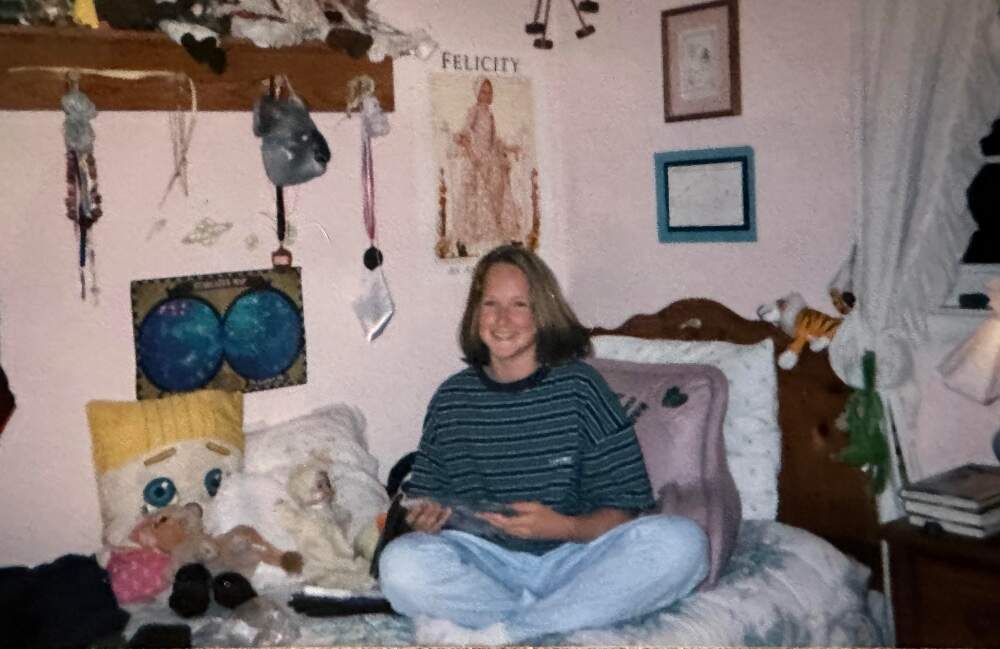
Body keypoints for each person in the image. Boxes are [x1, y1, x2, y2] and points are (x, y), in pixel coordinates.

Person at [377, 245, 709, 645]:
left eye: (520, 304)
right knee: (399, 566)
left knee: (684, 545)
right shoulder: (452, 398)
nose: (503, 319)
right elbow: (425, 502)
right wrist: (423, 519)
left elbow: (625, 513)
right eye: (490, 304)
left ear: (542, 315)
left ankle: (508, 632)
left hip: (575, 558)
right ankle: (562, 615)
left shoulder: (581, 388)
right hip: (487, 566)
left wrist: (563, 526)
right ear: (474, 314)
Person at [449, 78, 525, 256]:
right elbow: (464, 136)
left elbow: (493, 140)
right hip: (476, 159)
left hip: (490, 159)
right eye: (483, 91)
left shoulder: (490, 114)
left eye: (489, 91)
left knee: (500, 193)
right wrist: (473, 155)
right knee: (474, 199)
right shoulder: (473, 112)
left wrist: (509, 148)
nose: (487, 95)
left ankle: (509, 237)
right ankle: (463, 241)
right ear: (477, 93)